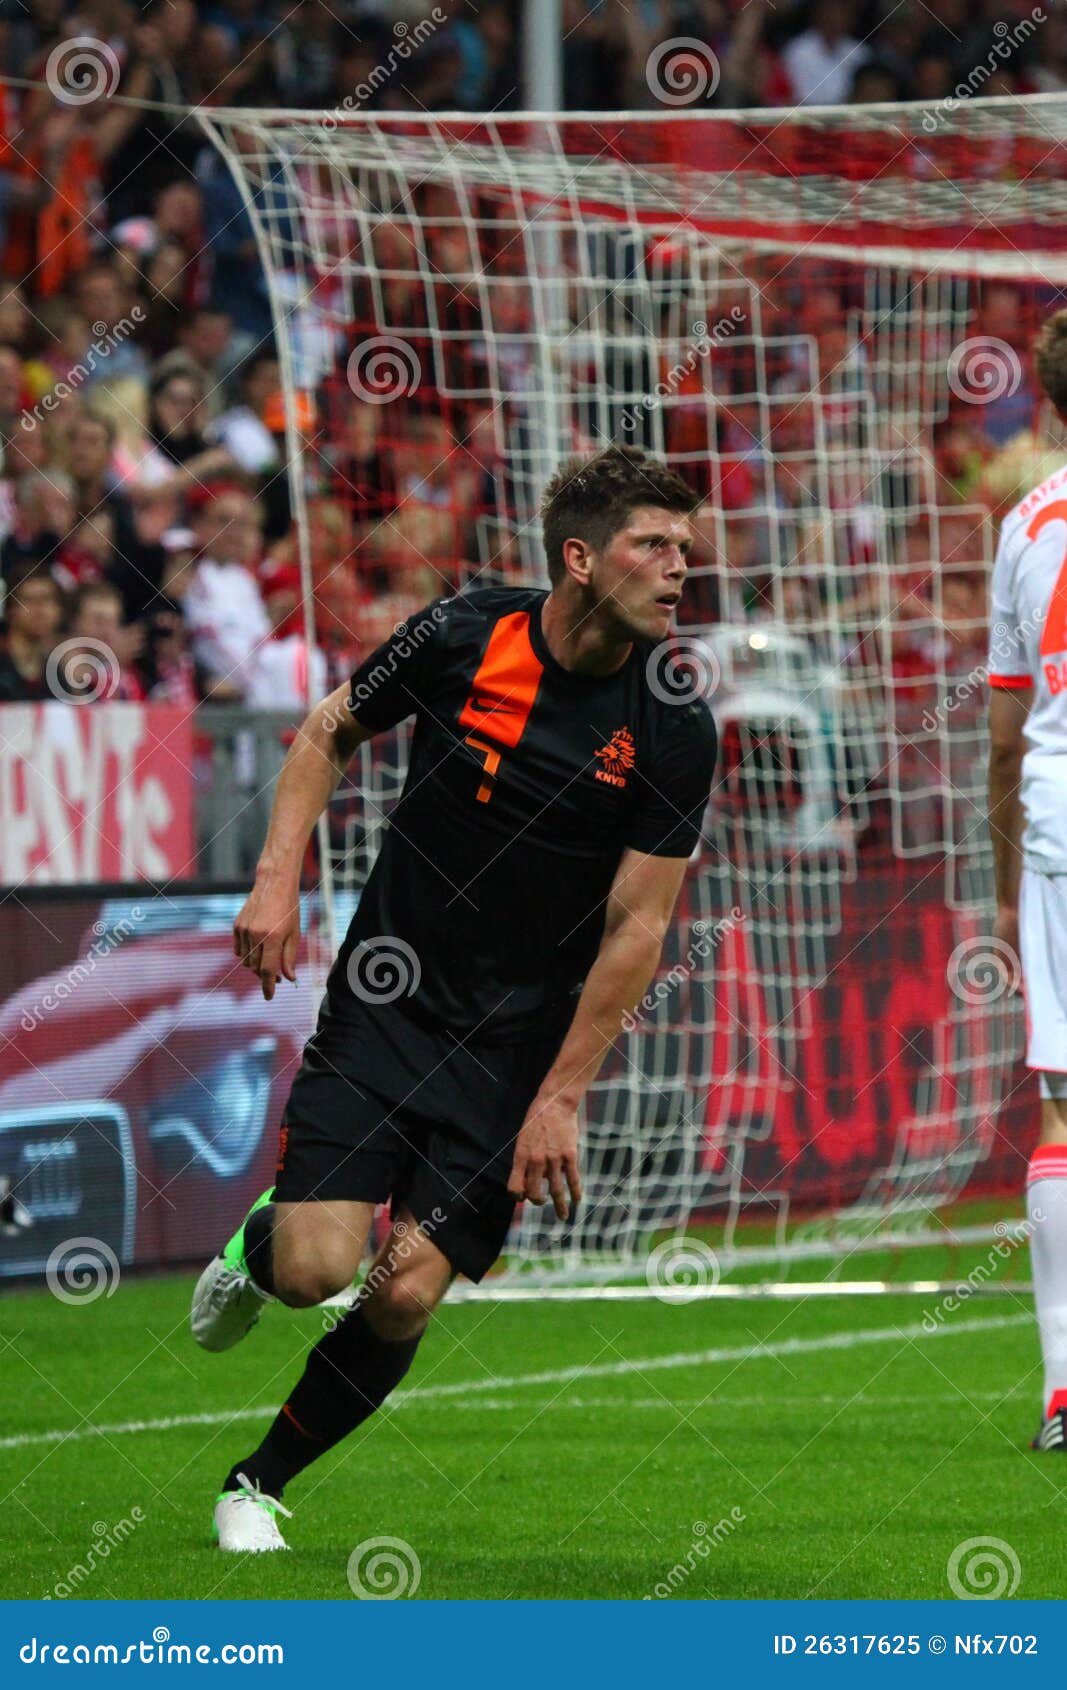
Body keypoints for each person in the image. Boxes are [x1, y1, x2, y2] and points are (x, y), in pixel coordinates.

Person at [189, 444, 718, 1551]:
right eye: (653, 545)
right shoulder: (462, 635)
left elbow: (637, 925)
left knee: (401, 1294)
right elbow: (326, 729)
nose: (681, 567)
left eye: (686, 546)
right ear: (579, 558)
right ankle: (262, 1243)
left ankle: (257, 1482)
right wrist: (276, 879)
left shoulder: (673, 720)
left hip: (514, 1045)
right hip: (391, 994)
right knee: (314, 1271)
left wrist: (561, 1094)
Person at [986, 308, 1067, 1453]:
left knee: (1059, 1104)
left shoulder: (1024, 521)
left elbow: (1002, 735)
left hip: (1057, 821)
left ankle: (1062, 1381)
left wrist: (1004, 864)